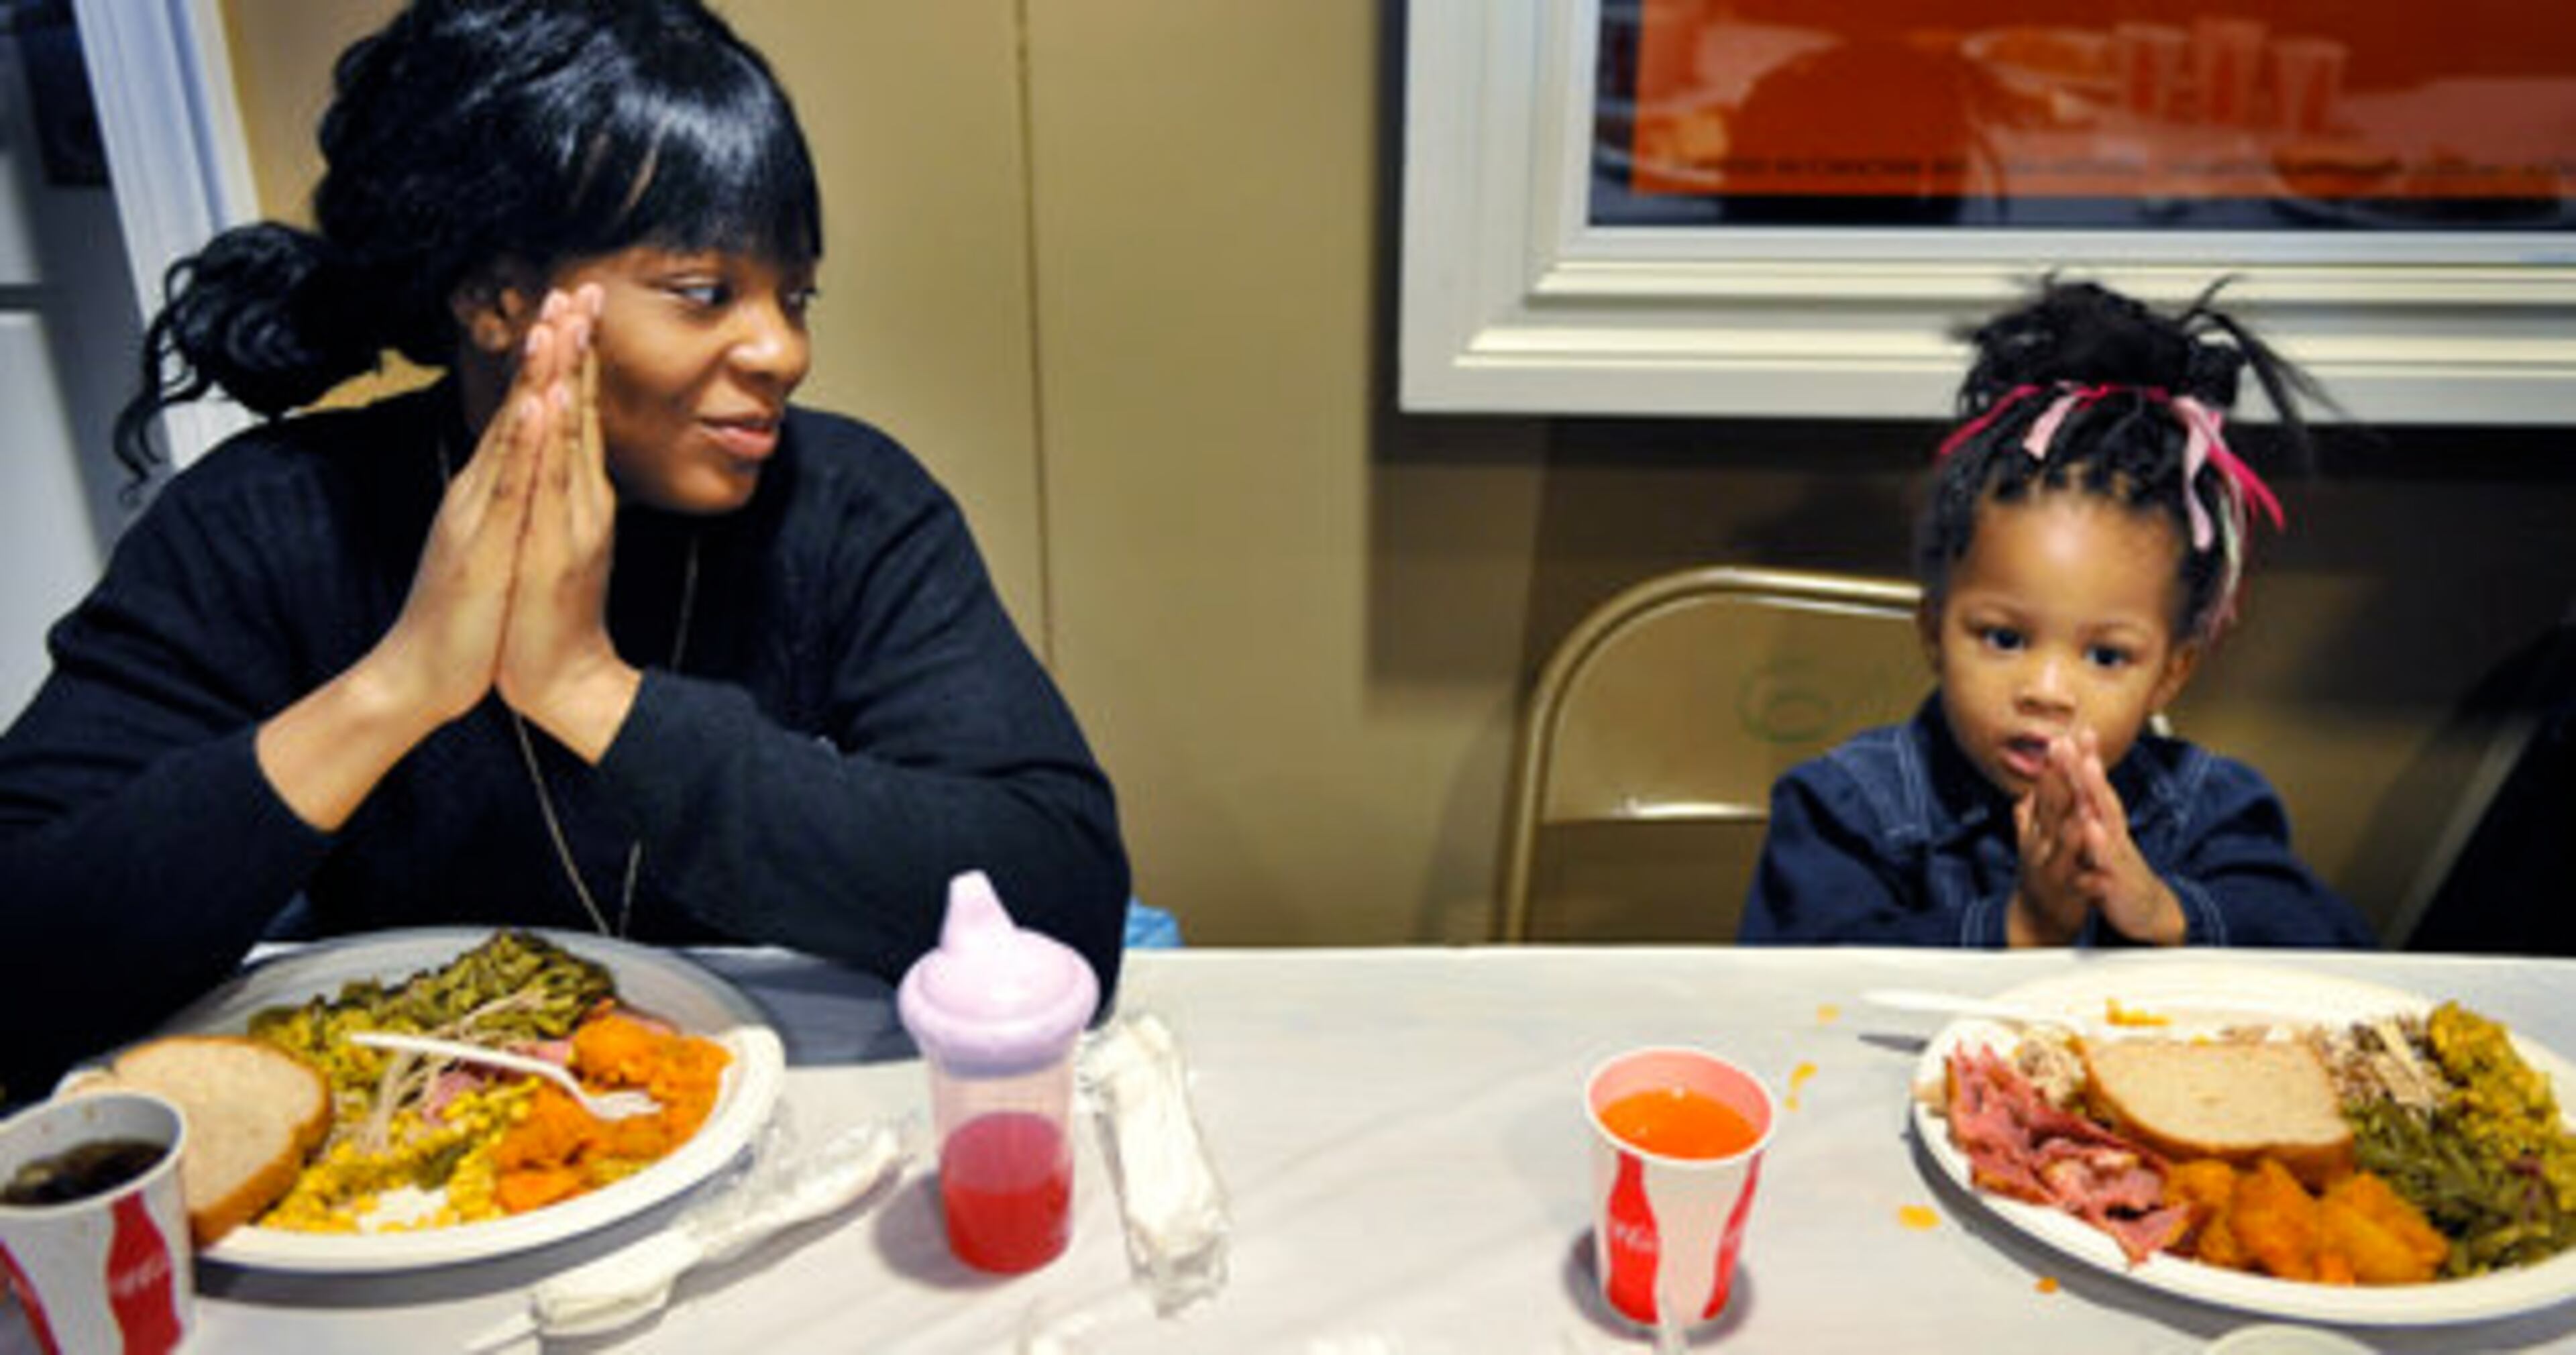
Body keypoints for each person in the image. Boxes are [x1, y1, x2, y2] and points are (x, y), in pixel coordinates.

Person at [0, 0, 1130, 1097]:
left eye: (795, 295)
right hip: (398, 1187)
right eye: (704, 292)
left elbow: (1062, 900)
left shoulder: (848, 504)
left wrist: (588, 689)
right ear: (497, 296)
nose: (783, 350)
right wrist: (398, 685)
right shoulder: (269, 518)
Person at [1738, 280, 2373, 948]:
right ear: (1933, 630)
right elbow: (1796, 993)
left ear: (2170, 674)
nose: (2045, 691)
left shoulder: (2207, 812)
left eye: (2106, 656)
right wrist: (2022, 925)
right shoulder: (1847, 809)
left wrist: (2163, 910)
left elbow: (2340, 953)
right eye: (2004, 637)